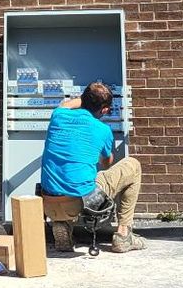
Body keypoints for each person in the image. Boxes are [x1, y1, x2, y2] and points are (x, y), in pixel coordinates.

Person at [37, 81, 144, 253]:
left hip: (48, 202)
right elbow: (106, 163)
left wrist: (88, 98)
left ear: (83, 99)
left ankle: (62, 224)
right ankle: (124, 235)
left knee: (68, 178)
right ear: (105, 110)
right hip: (82, 203)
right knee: (133, 166)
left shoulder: (58, 115)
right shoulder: (103, 130)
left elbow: (65, 104)